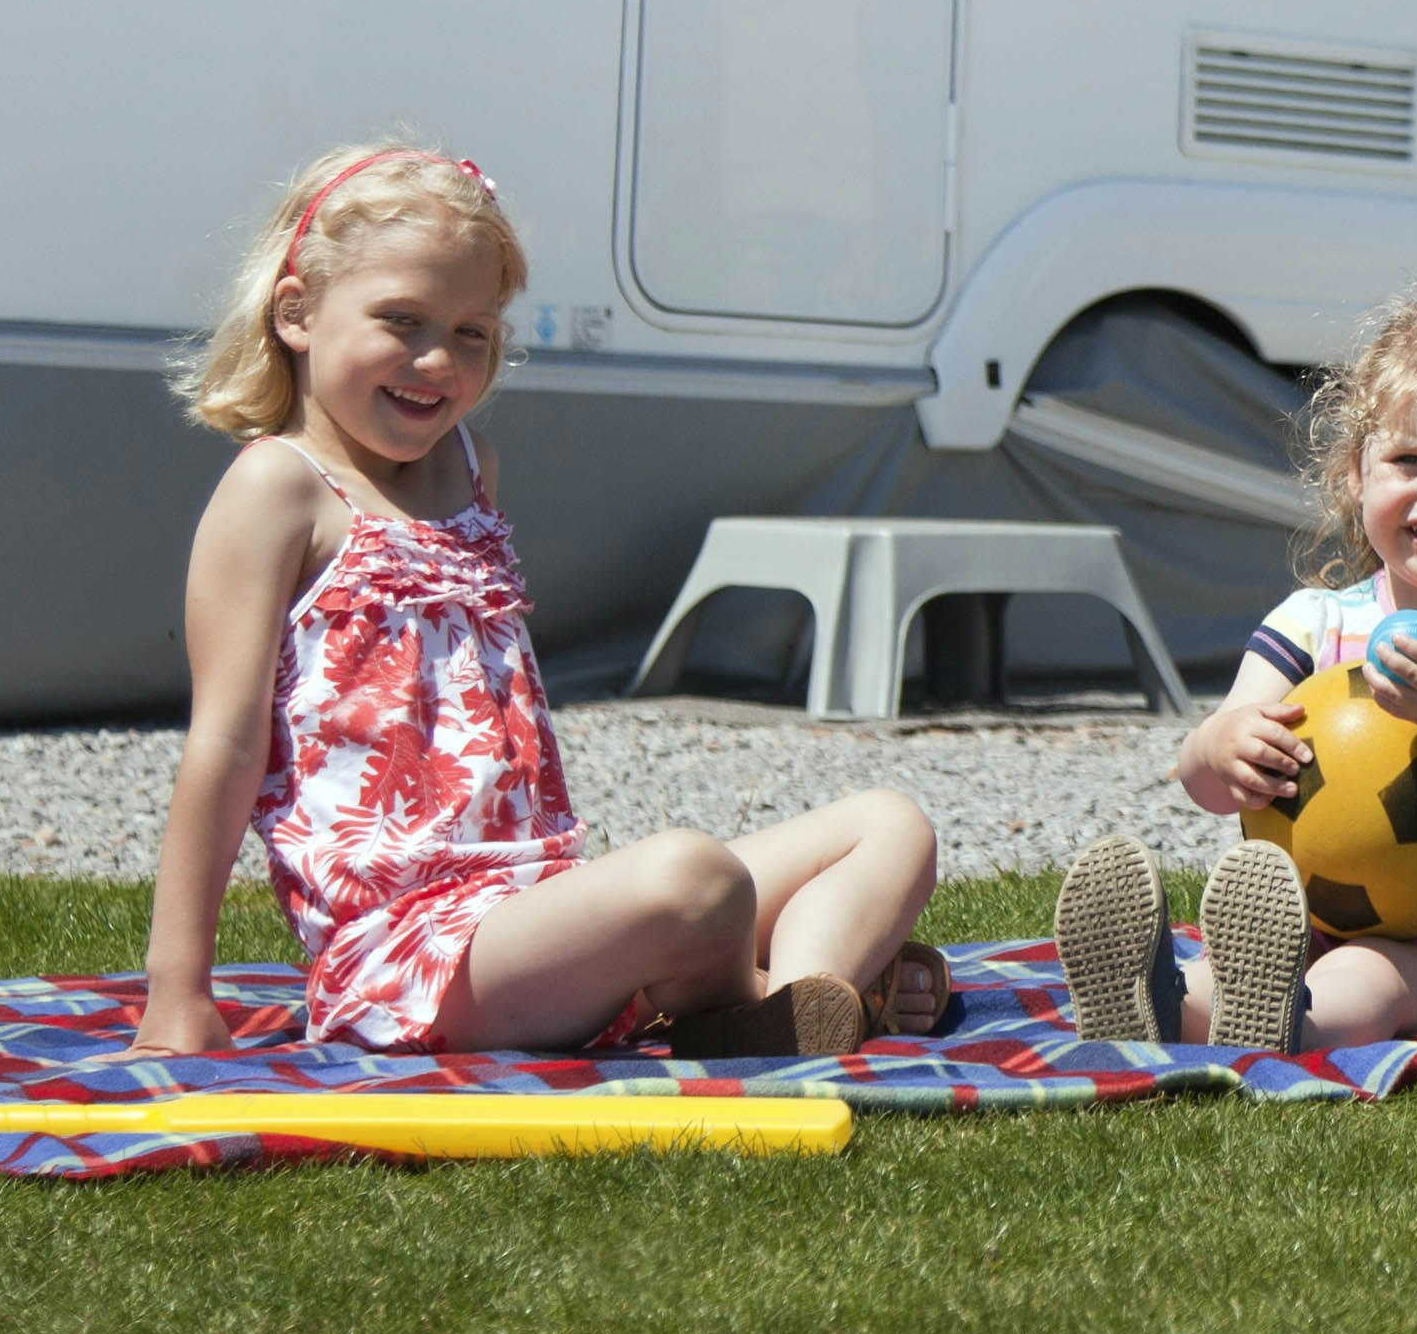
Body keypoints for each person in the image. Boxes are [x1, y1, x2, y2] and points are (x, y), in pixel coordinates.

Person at [132, 142, 945, 1059]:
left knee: (890, 823)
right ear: (298, 313)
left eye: (472, 332)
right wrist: (177, 990)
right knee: (693, 877)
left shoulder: (469, 468)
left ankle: (802, 1001)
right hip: (413, 959)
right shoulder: (277, 489)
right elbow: (227, 744)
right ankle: (776, 995)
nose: (437, 359)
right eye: (402, 320)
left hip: (536, 909)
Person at [1050, 301, 1417, 1053]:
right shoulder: (1311, 622)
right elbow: (1206, 776)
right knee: (1246, 968)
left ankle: (1275, 1025)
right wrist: (1223, 750)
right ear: (1355, 477)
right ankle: (1156, 1000)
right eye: (1410, 461)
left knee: (1372, 978)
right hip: (1309, 920)